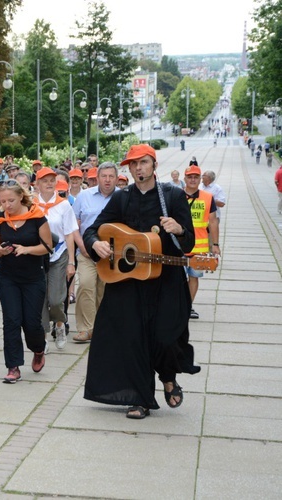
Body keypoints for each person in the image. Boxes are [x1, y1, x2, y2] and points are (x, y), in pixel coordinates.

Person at [83, 144, 199, 419]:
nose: (137, 168)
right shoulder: (122, 198)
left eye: (143, 162)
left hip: (166, 280)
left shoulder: (172, 195)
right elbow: (92, 230)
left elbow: (190, 241)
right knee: (133, 340)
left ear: (154, 165)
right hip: (130, 282)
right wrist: (96, 244)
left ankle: (168, 377)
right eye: (133, 164)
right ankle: (140, 399)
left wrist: (179, 229)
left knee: (166, 337)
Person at [0, 181, 51, 382]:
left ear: (21, 197)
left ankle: (38, 348)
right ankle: (13, 366)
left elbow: (48, 247)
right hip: (8, 278)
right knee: (12, 320)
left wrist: (27, 249)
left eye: (11, 200)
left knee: (31, 323)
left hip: (33, 278)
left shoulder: (37, 217)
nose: (7, 205)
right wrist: (0, 251)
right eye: (3, 201)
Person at [71, 163, 118, 343]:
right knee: (86, 285)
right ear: (97, 178)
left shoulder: (122, 197)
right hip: (86, 253)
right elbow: (74, 225)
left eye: (111, 176)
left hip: (111, 255)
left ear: (116, 178)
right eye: (104, 176)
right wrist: (82, 246)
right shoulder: (84, 196)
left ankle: (102, 327)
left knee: (104, 291)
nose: (107, 180)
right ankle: (86, 328)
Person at [35, 168, 78, 350]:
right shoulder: (30, 204)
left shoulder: (63, 205)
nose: (49, 183)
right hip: (37, 256)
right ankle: (43, 336)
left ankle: (59, 323)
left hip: (59, 255)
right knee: (41, 298)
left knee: (55, 298)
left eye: (52, 180)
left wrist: (71, 262)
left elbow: (69, 234)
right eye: (45, 180)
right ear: (37, 184)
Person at [184, 165, 219, 320]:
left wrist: (215, 245)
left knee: (194, 277)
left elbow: (213, 222)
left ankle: (188, 307)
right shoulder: (176, 195)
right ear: (185, 178)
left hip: (199, 247)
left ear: (200, 179)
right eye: (190, 177)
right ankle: (175, 305)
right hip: (178, 246)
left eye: (196, 177)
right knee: (175, 278)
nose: (192, 179)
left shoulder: (207, 197)